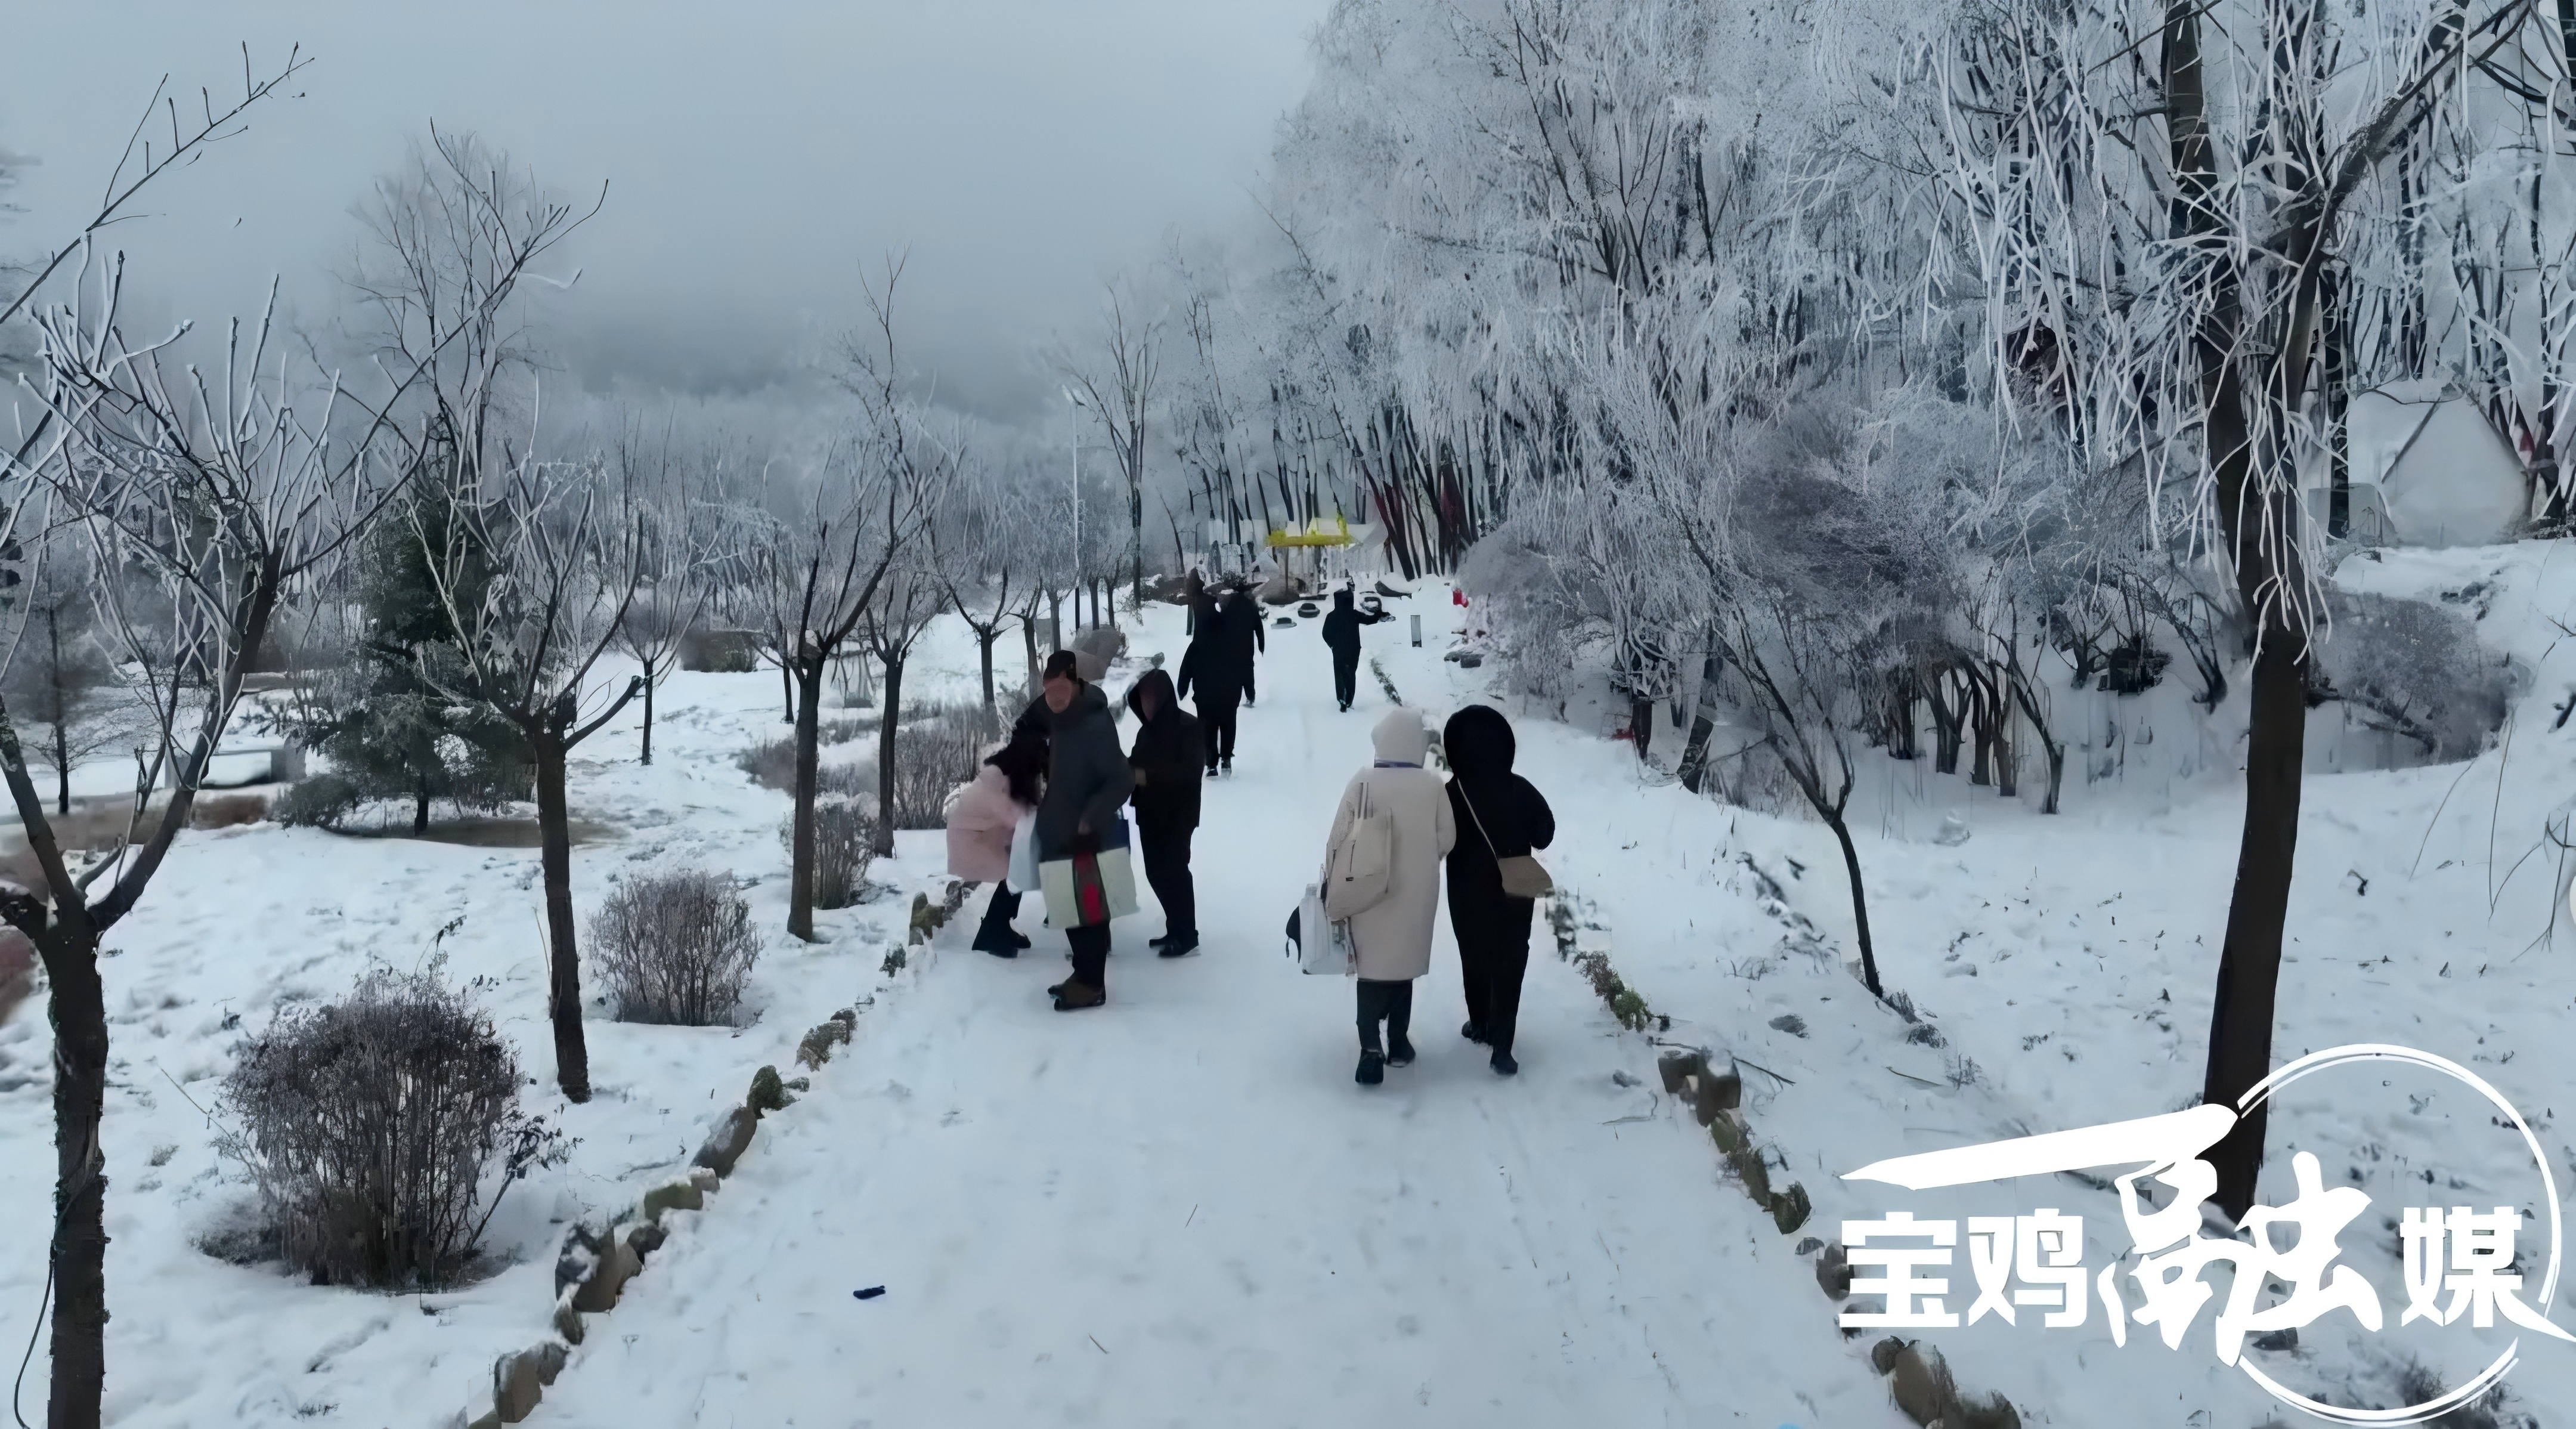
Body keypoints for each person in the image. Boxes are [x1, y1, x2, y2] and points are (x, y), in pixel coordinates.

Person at [1323, 708, 1455, 1085]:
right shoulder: (1432, 786)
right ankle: (1399, 1043)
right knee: (1403, 965)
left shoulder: (1364, 781)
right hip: (1417, 892)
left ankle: (1370, 1047)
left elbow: (1337, 836)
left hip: (1367, 889)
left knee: (1372, 967)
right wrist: (1424, 857)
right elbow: (1448, 838)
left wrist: (1333, 877)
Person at [1442, 704, 1555, 1075]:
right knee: (1510, 959)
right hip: (1515, 888)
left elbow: (1437, 841)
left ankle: (1480, 1025)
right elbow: (1545, 833)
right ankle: (1503, 1045)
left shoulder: (1451, 793)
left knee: (1473, 954)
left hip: (1466, 891)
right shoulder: (1519, 787)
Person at [1030, 650, 1135, 1011]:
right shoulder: (1064, 718)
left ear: (1074, 683)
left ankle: (1092, 986)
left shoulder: (1093, 723)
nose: (1053, 698)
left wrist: (1090, 816)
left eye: (1060, 690)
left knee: (1086, 914)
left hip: (1085, 835)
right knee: (1068, 910)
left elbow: (1121, 779)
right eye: (1048, 692)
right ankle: (1082, 975)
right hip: (1060, 832)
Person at [1123, 667, 1203, 957]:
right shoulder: (1147, 732)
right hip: (1149, 812)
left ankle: (1187, 935)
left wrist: (1148, 775)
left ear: (1164, 697)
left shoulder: (1189, 726)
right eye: (1142, 698)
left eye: (1150, 697)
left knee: (1176, 873)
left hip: (1177, 814)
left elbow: (1190, 771)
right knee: (1155, 873)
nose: (1146, 704)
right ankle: (1175, 929)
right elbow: (1135, 764)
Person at [946, 735, 1048, 957]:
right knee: (1018, 873)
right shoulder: (998, 778)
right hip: (972, 841)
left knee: (1020, 870)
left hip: (982, 835)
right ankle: (995, 931)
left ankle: (999, 927)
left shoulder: (1005, 772)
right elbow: (1015, 816)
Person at [1176, 596, 1246, 777]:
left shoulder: (1198, 644)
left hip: (1205, 696)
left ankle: (1212, 764)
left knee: (1208, 729)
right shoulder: (1229, 637)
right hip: (1229, 693)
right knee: (1229, 725)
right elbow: (1241, 662)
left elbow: (1186, 668)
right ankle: (1227, 758)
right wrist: (1245, 684)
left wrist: (1182, 689)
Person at [1320, 586, 1391, 713]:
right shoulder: (1354, 614)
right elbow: (1370, 620)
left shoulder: (1332, 616)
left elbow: (1325, 633)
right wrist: (1379, 613)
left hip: (1338, 652)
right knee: (1350, 675)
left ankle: (1342, 699)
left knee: (1340, 675)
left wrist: (1333, 645)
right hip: (1353, 650)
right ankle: (1349, 701)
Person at [1220, 582, 1266, 709]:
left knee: (1234, 671)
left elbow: (1221, 623)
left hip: (1232, 645)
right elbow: (1259, 627)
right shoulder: (1249, 605)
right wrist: (1262, 645)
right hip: (1247, 645)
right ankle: (1250, 697)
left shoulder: (1230, 605)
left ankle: (1234, 697)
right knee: (1248, 671)